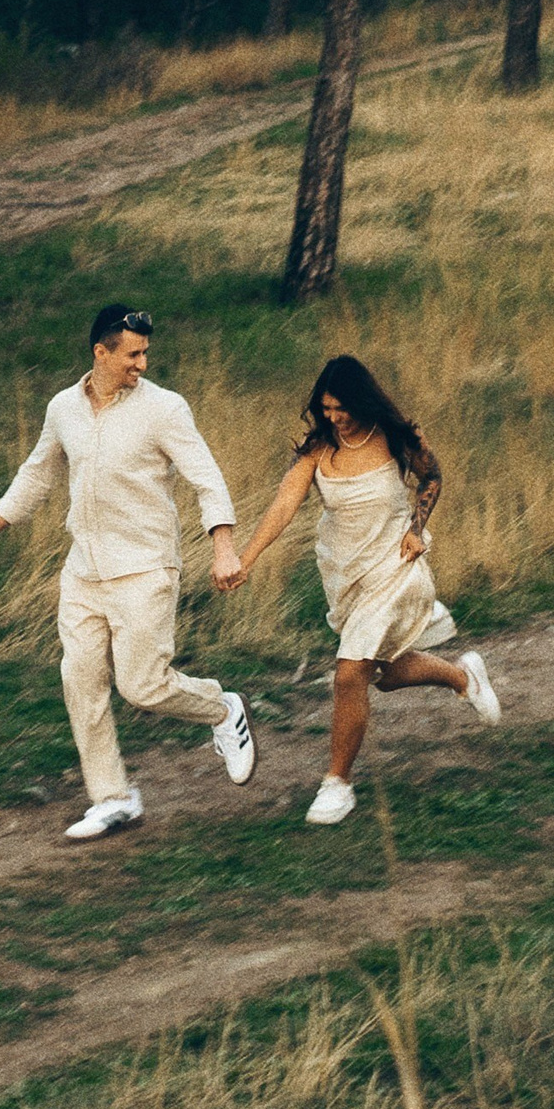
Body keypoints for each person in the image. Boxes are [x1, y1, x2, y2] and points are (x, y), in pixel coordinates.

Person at [0, 302, 257, 842]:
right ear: (101, 353)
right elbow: (37, 473)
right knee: (80, 680)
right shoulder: (62, 409)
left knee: (143, 687)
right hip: (84, 572)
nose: (142, 364)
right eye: (132, 354)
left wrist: (224, 548)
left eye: (146, 353)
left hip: (146, 568)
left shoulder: (165, 409)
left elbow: (207, 479)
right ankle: (113, 797)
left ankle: (222, 707)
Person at [217, 353, 498, 825]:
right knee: (383, 676)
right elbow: (283, 507)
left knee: (349, 674)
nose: (333, 418)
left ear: (361, 401)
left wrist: (416, 526)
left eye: (340, 408)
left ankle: (337, 784)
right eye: (325, 409)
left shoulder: (393, 436)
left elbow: (432, 477)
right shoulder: (317, 451)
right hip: (345, 574)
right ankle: (463, 678)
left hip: (394, 563)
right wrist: (244, 560)